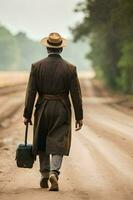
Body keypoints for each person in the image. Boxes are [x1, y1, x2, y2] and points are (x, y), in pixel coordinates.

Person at [23, 32, 83, 191]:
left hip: (42, 107)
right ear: (61, 49)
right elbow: (76, 94)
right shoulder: (70, 68)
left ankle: (44, 174)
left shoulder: (36, 66)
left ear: (47, 48)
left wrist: (27, 114)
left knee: (41, 139)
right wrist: (79, 117)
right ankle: (54, 173)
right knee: (58, 141)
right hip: (62, 108)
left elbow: (30, 93)